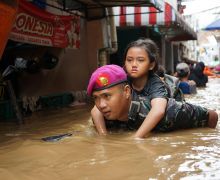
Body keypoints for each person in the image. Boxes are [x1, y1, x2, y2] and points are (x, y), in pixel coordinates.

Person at [87, 64, 218, 138]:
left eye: (107, 96)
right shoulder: (103, 117)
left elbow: (212, 115)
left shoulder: (169, 112)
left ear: (127, 92)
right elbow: (95, 112)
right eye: (96, 98)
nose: (101, 105)